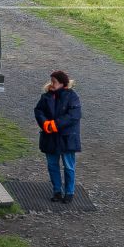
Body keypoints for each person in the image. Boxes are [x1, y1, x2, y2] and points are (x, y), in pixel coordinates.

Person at [33, 70, 82, 204]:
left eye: (54, 81)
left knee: (68, 166)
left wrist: (54, 125)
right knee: (52, 165)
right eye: (51, 81)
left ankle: (69, 192)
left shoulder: (73, 97)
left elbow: (74, 116)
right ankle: (57, 191)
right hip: (51, 138)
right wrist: (45, 124)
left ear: (62, 83)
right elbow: (38, 111)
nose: (51, 83)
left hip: (66, 138)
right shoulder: (46, 97)